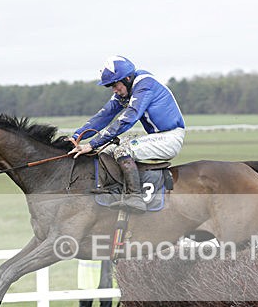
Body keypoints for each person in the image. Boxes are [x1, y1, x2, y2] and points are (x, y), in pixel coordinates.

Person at [68, 56, 185, 212]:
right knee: (107, 150)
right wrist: (76, 137)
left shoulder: (145, 85)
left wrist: (91, 144)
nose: (114, 90)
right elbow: (104, 115)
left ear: (127, 78)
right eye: (111, 87)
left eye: (115, 85)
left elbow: (127, 120)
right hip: (155, 137)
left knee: (122, 150)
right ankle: (114, 190)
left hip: (170, 138)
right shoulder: (127, 89)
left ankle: (135, 197)